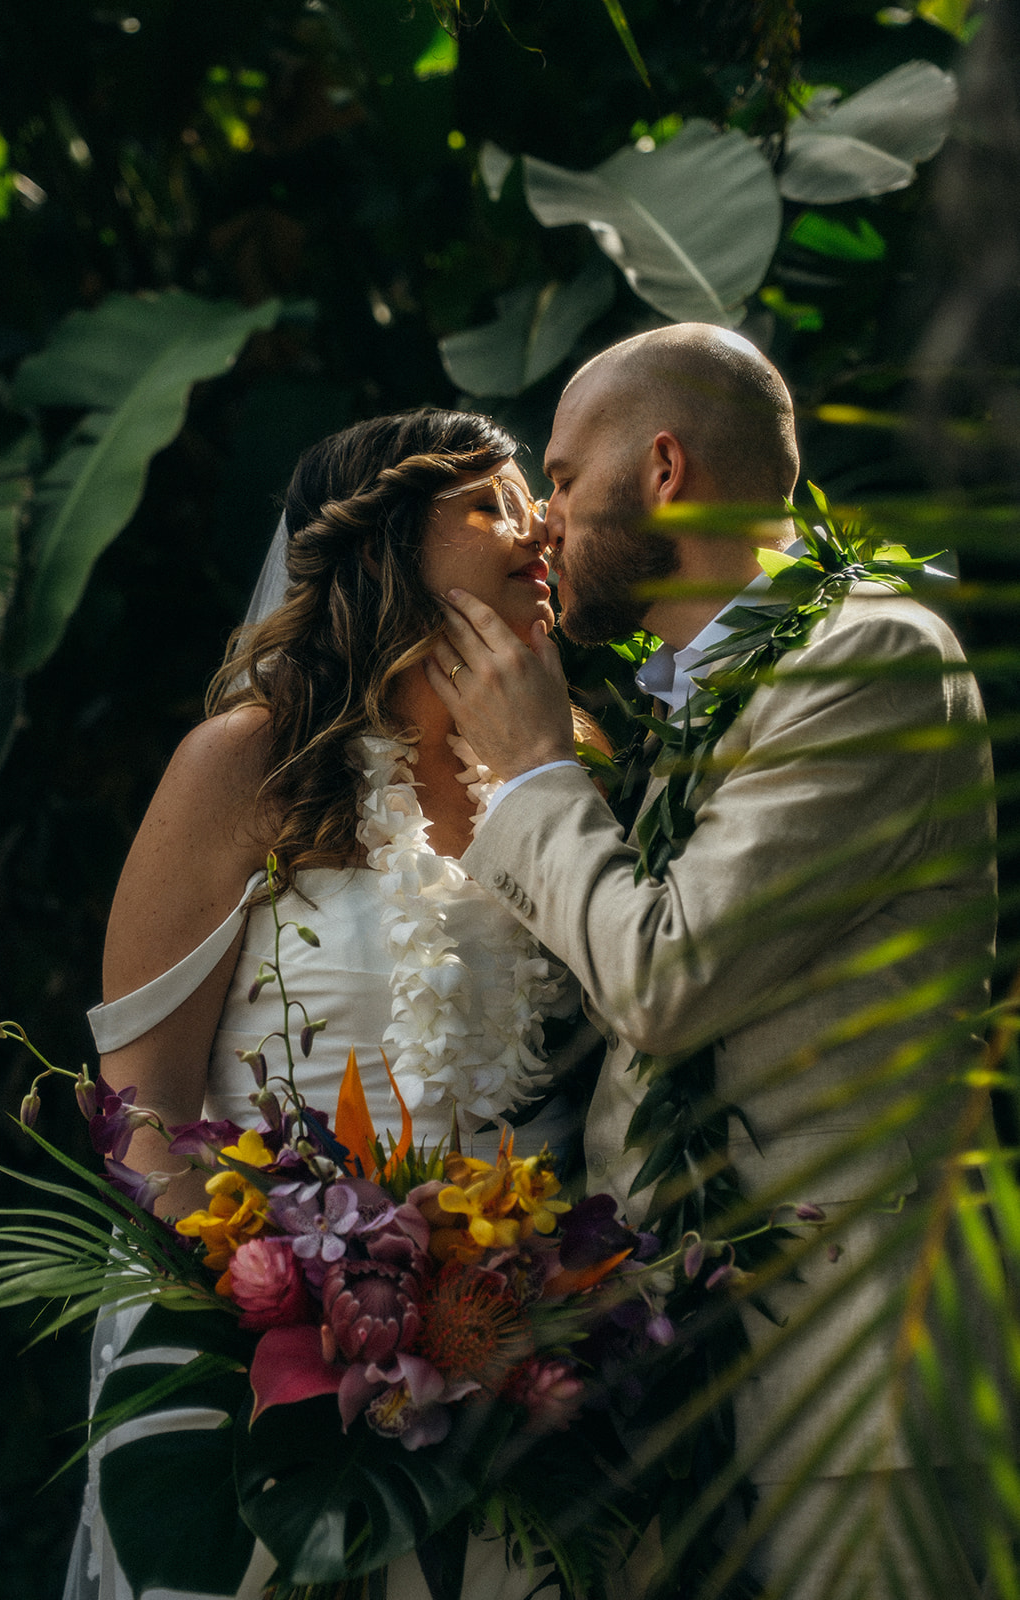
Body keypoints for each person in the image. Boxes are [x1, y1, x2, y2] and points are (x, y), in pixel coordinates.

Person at [425, 325, 1000, 1597]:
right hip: (678, 1380)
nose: (541, 521)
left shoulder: (869, 656)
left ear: (663, 468)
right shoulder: (683, 702)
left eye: (561, 478)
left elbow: (663, 976)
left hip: (846, 1391)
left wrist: (530, 772)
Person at [63, 408, 594, 1600]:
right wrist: (276, 1319)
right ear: (387, 543)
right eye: (491, 506)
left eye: (532, 505)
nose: (538, 531)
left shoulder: (557, 781)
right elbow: (141, 1107)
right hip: (258, 1371)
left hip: (501, 1375)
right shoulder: (246, 763)